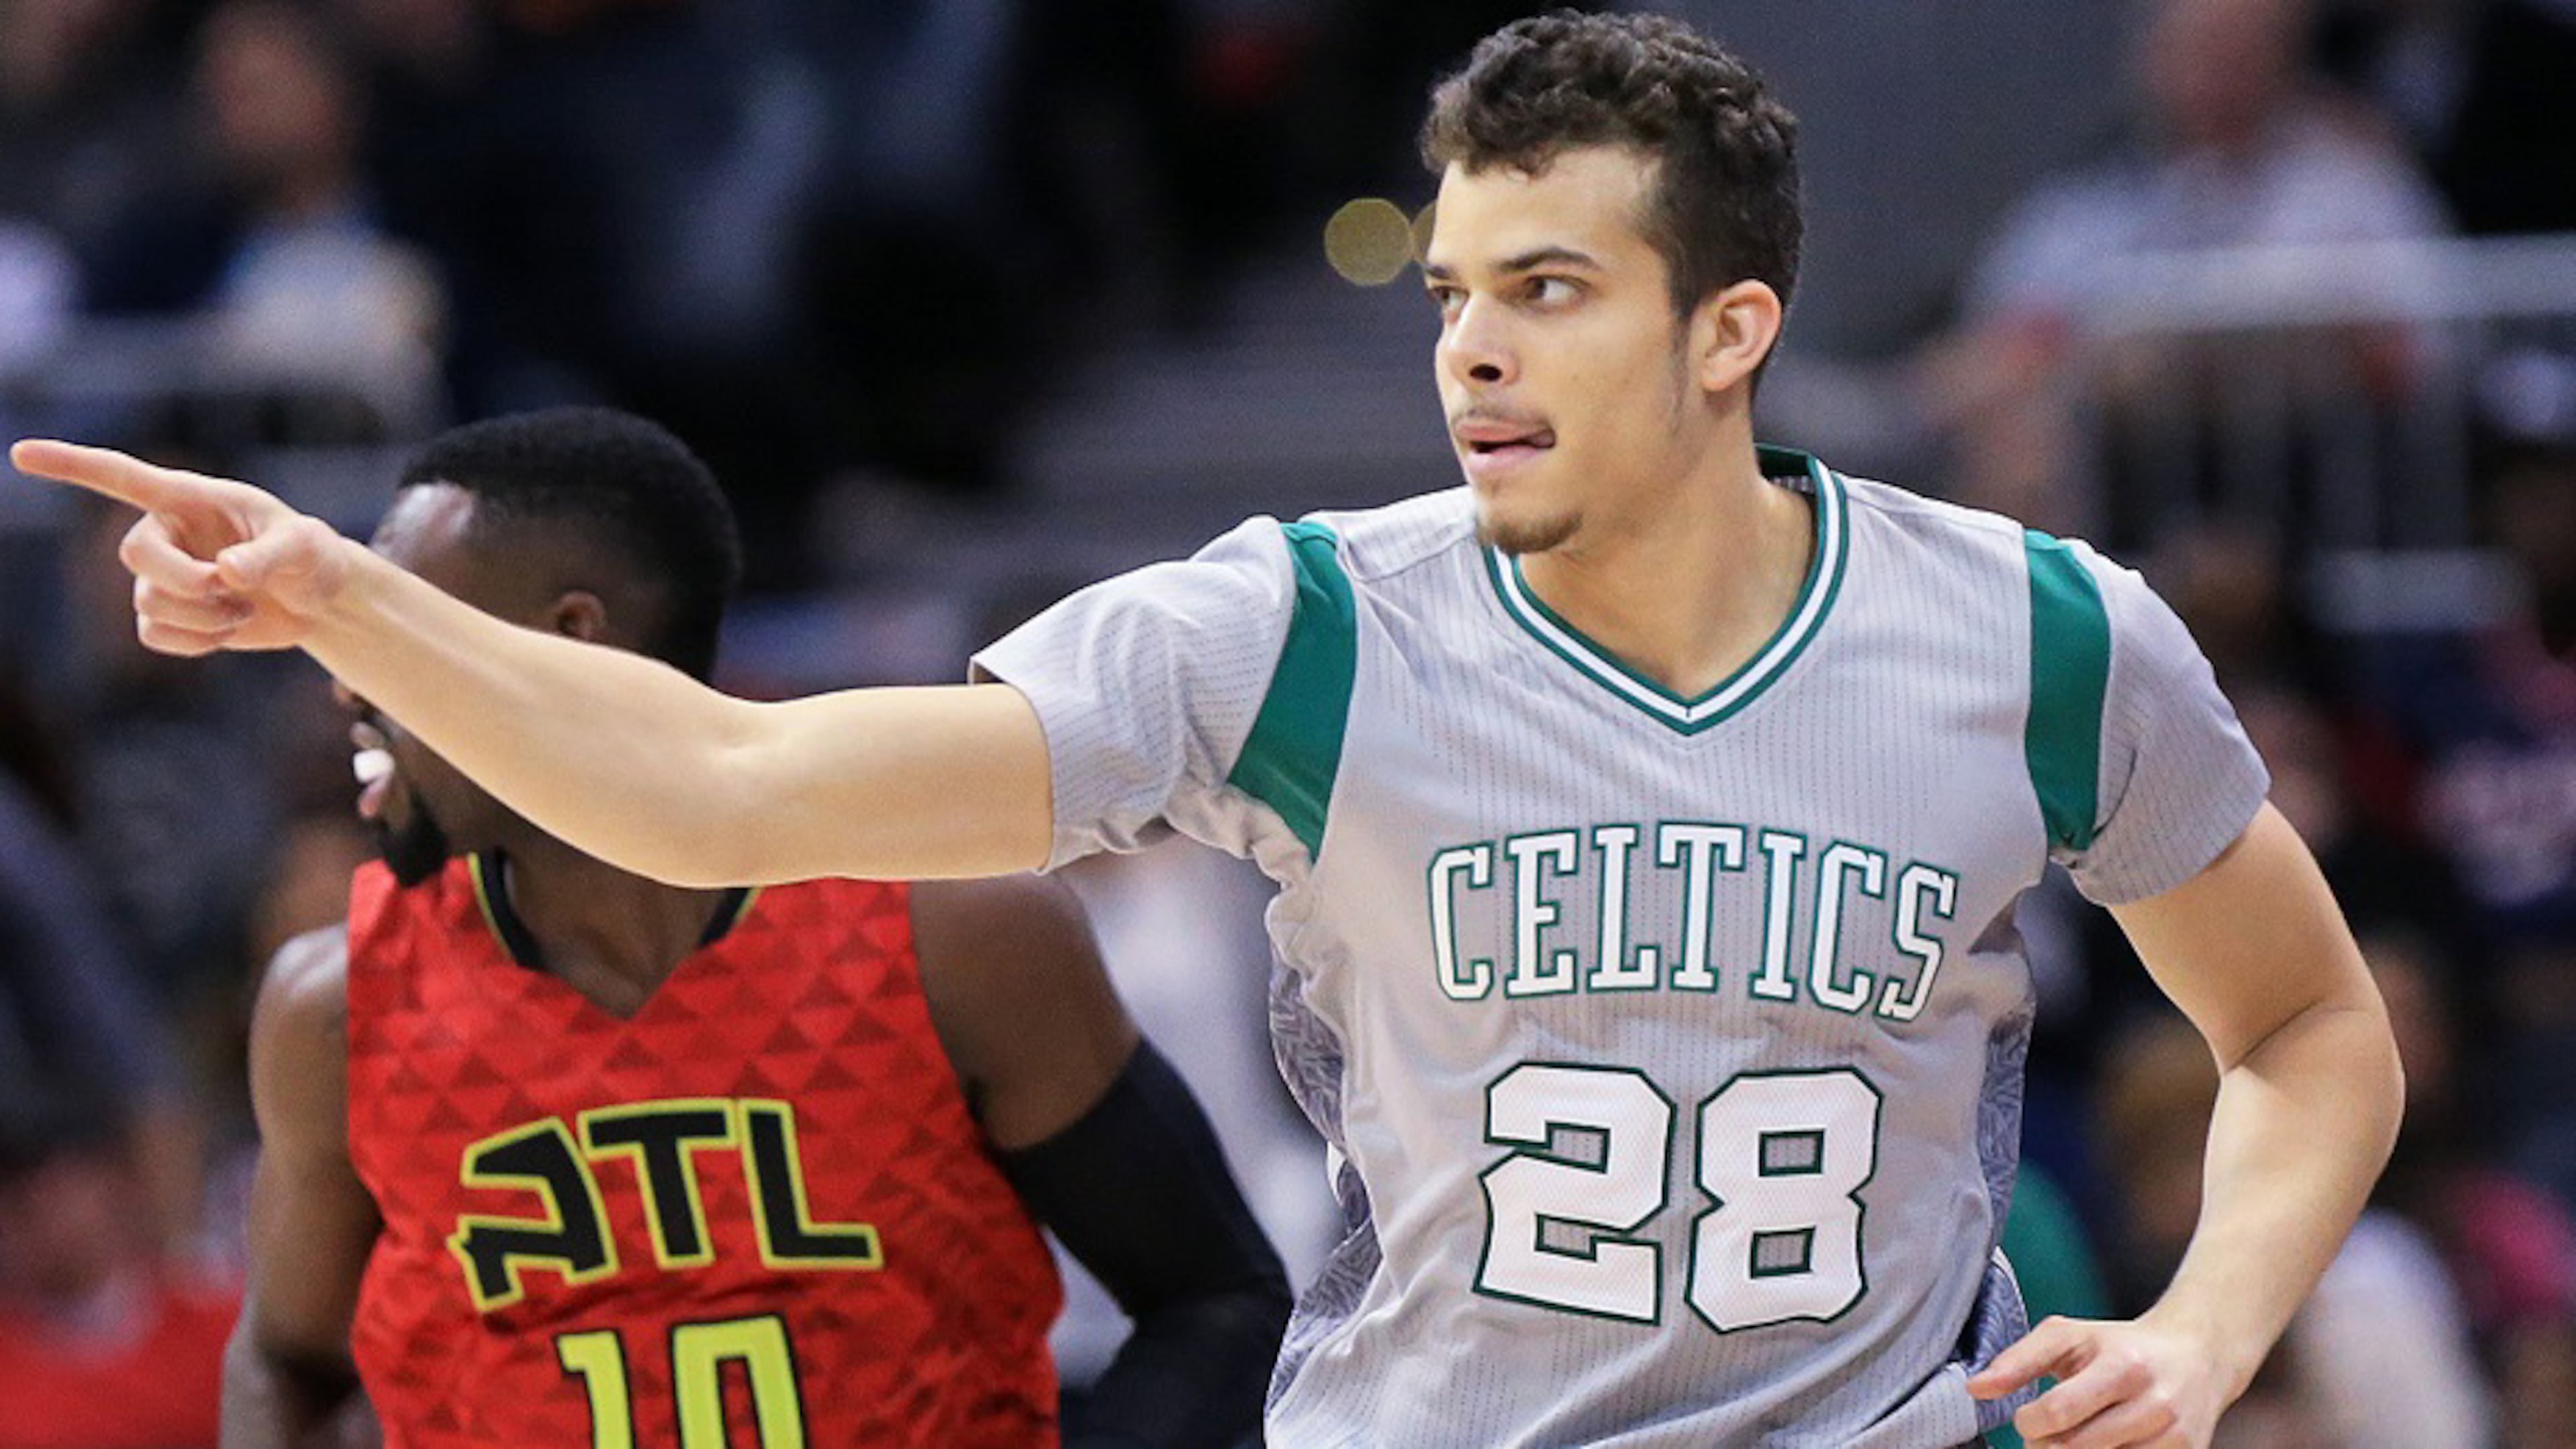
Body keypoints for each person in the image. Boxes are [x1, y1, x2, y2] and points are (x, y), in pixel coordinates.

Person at [15, 13, 2404, 1446]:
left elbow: (2305, 1021)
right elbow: (727, 782)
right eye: (1456, 288)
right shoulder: (1299, 631)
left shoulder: (2045, 639)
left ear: (1730, 330)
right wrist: (337, 593)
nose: (1470, 347)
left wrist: (2206, 1330)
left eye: (1549, 292)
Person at [210, 408, 1289, 1446]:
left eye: (406, 632)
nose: (352, 686)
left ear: (570, 639)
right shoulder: (335, 1009)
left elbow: (1220, 1301)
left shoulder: (950, 932)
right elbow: (286, 1365)